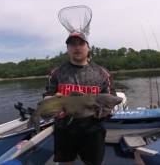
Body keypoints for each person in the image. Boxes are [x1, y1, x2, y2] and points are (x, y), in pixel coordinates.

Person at [43, 31, 114, 165]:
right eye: (72, 44)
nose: (77, 47)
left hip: (93, 130)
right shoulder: (56, 73)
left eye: (81, 43)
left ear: (88, 47)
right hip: (64, 128)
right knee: (67, 162)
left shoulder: (102, 73)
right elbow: (48, 95)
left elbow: (111, 99)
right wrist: (50, 104)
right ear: (67, 49)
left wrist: (105, 112)